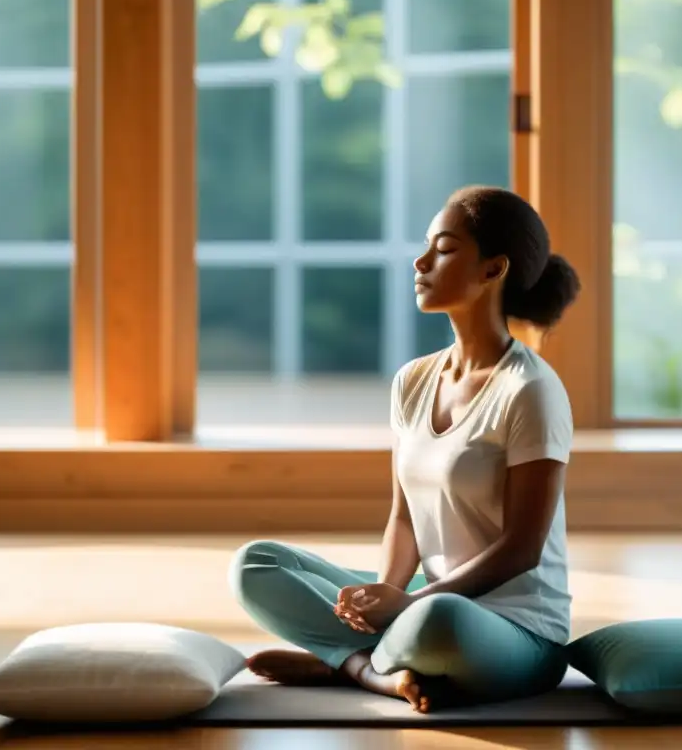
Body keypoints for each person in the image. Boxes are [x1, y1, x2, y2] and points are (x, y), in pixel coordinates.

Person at [228, 185, 581, 713]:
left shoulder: (530, 390)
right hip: (422, 602)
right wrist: (383, 600)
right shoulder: (413, 380)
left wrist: (411, 604)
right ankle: (367, 661)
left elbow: (522, 548)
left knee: (438, 624)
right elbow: (404, 519)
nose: (420, 261)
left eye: (443, 248)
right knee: (257, 564)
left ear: (493, 269)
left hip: (513, 631)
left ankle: (350, 665)